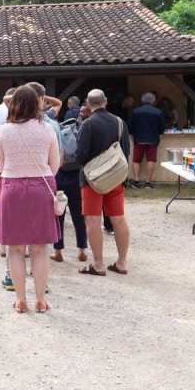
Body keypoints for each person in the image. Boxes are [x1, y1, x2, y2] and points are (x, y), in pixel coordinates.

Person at [0, 85, 60, 314]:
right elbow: (55, 164)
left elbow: (1, 165)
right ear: (37, 103)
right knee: (40, 248)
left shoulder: (3, 130)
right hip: (41, 187)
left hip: (12, 186)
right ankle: (40, 299)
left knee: (15, 248)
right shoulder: (47, 130)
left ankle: (20, 299)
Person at [76, 89, 131, 277]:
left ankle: (98, 264)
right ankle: (122, 262)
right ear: (105, 101)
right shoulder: (119, 122)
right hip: (115, 178)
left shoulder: (87, 124)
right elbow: (126, 151)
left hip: (92, 180)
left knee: (92, 220)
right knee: (118, 218)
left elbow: (81, 156)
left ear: (88, 104)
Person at [52, 115, 88, 264]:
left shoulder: (56, 130)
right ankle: (82, 249)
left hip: (60, 176)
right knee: (78, 215)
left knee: (58, 215)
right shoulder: (79, 131)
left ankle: (58, 251)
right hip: (77, 176)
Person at [128, 92, 166, 188]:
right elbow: (162, 128)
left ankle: (136, 180)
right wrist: (159, 133)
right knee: (151, 160)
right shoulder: (158, 112)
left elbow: (130, 126)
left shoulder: (135, 111)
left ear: (142, 100)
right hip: (153, 140)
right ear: (153, 101)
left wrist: (133, 135)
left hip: (138, 139)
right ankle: (148, 182)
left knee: (136, 160)